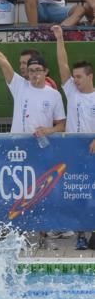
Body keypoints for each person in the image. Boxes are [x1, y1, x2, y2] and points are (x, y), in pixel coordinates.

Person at [0, 26, 66, 145]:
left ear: (46, 71)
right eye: (31, 70)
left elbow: (61, 125)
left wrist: (49, 130)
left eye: (38, 70)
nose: (34, 74)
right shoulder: (19, 85)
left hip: (41, 145)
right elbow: (2, 60)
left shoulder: (54, 95)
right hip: (17, 143)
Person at [52, 25, 95, 250]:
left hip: (92, 151)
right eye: (74, 77)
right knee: (77, 193)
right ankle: (79, 235)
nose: (75, 80)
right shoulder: (72, 93)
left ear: (90, 76)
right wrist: (60, 38)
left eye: (79, 77)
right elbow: (62, 65)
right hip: (74, 151)